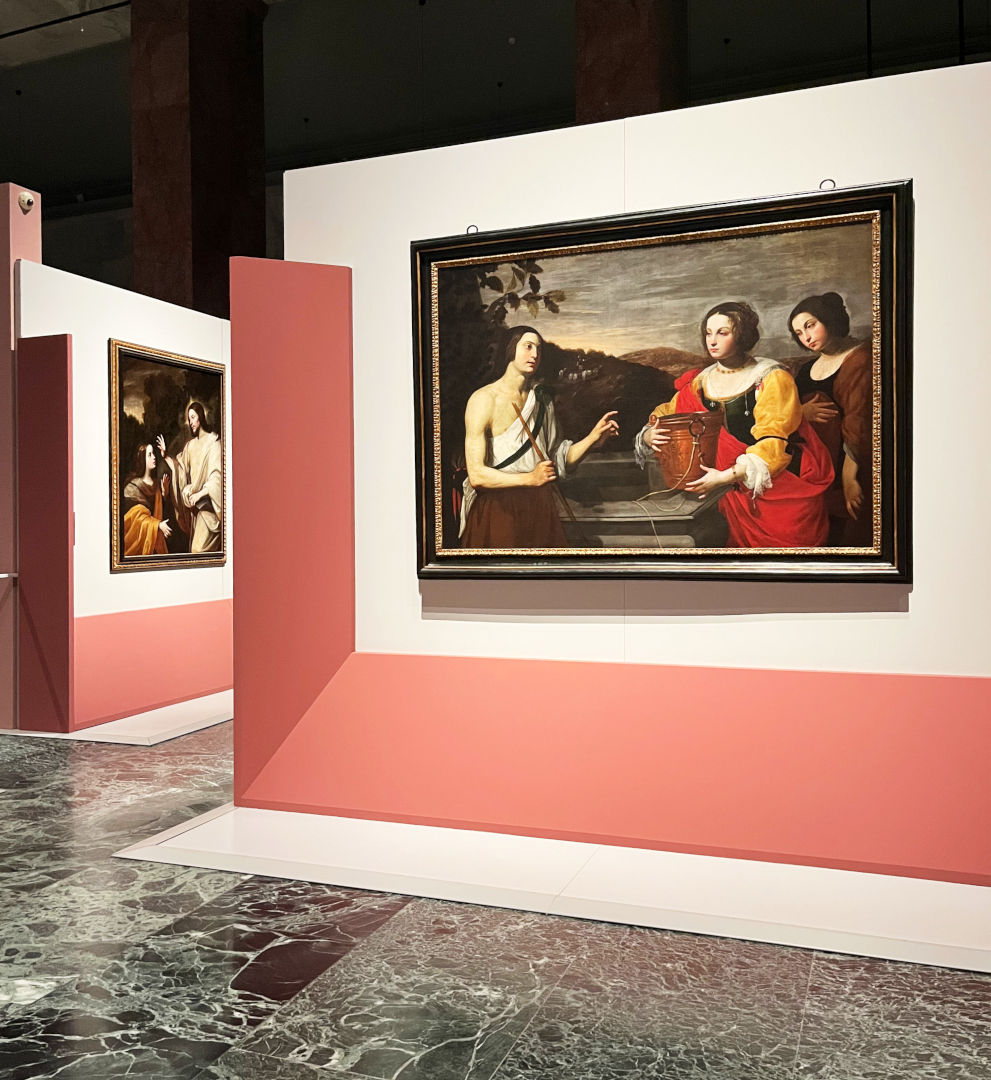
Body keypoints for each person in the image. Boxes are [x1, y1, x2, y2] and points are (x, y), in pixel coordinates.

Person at [636, 301, 833, 548]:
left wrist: (724, 477)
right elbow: (666, 414)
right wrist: (649, 435)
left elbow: (774, 443)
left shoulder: (771, 377)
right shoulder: (701, 382)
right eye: (708, 333)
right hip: (727, 495)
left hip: (779, 489)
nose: (712, 341)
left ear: (742, 336)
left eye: (722, 333)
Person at [460, 325, 619, 547]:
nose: (535, 354)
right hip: (500, 508)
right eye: (528, 346)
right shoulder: (484, 399)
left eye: (539, 349)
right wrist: (530, 479)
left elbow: (557, 460)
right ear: (510, 348)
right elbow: (477, 476)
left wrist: (593, 437)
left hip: (540, 507)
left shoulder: (542, 400)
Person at [789, 292, 873, 546]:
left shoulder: (861, 358)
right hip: (812, 464)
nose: (806, 337)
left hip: (849, 464)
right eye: (799, 333)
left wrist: (849, 477)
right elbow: (784, 412)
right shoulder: (806, 369)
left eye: (810, 326)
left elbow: (860, 423)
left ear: (829, 319)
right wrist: (800, 413)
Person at [156, 401, 223, 554]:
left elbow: (216, 479)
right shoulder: (190, 446)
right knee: (195, 551)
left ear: (201, 417)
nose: (190, 422)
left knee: (197, 550)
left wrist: (199, 494)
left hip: (210, 509)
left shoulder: (214, 443)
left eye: (193, 417)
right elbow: (180, 470)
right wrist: (165, 456)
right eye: (189, 418)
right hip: (196, 511)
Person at [121, 443, 173, 557]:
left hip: (155, 545)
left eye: (153, 453)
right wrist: (157, 525)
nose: (154, 457)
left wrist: (164, 495)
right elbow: (134, 520)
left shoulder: (157, 485)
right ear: (142, 459)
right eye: (149, 455)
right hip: (137, 546)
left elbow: (163, 514)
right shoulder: (131, 489)